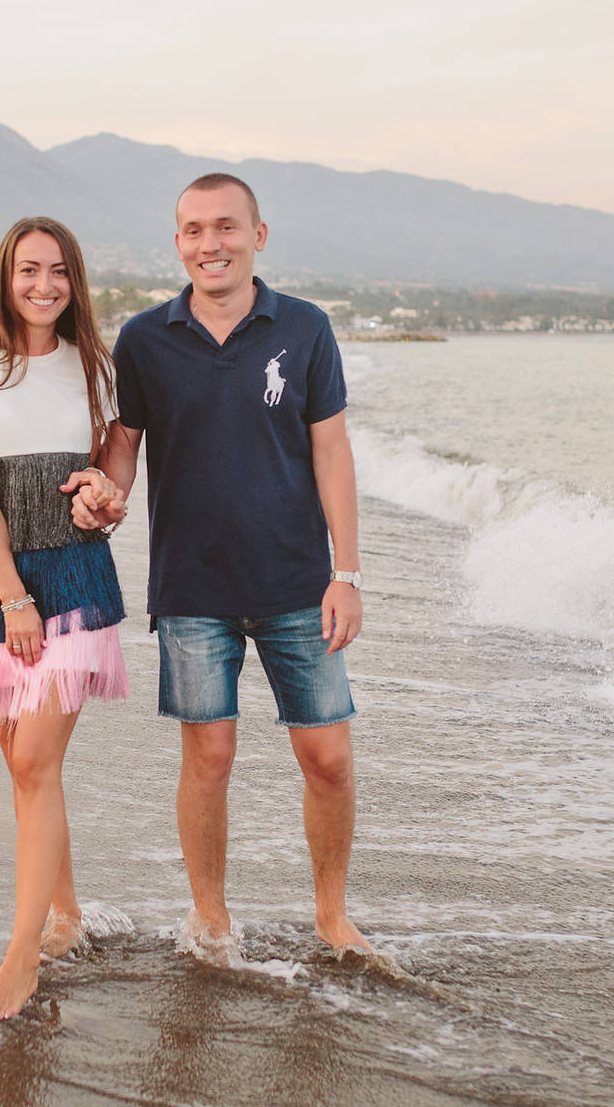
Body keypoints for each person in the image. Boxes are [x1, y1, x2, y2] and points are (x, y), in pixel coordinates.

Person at [68, 173, 370, 955]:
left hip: (299, 583)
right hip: (192, 584)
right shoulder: (145, 339)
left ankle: (332, 916)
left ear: (258, 236)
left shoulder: (304, 329)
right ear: (179, 244)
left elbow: (331, 452)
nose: (212, 244)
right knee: (210, 755)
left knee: (328, 756)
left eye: (228, 228)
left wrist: (348, 572)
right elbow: (126, 443)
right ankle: (211, 916)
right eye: (196, 231)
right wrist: (107, 490)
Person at [0, 216, 128, 1020]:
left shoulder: (96, 369)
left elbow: (111, 481)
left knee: (37, 763)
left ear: (74, 282)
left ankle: (21, 961)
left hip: (76, 576)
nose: (43, 286)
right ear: (4, 279)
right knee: (24, 769)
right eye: (27, 271)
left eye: (58, 272)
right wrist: (12, 599)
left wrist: (106, 502)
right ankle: (64, 916)